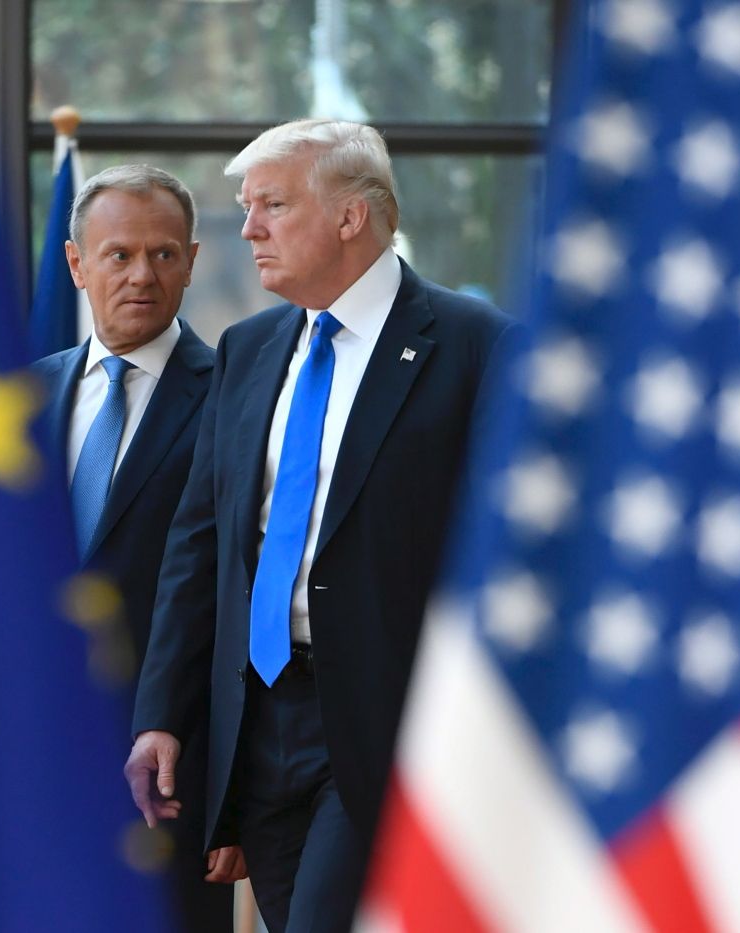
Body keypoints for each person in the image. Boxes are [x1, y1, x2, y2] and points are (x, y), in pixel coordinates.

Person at [126, 120, 509, 931]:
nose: (250, 228)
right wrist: (163, 714)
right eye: (246, 205)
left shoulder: (476, 347)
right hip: (257, 719)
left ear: (351, 217)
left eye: (272, 204)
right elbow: (200, 547)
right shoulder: (248, 349)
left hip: (384, 720)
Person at [31, 164, 243, 931]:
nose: (141, 275)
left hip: (168, 768)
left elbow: (240, 594)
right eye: (118, 255)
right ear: (76, 264)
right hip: (29, 749)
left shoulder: (240, 397)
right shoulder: (15, 399)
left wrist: (234, 793)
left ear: (191, 261)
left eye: (162, 255)